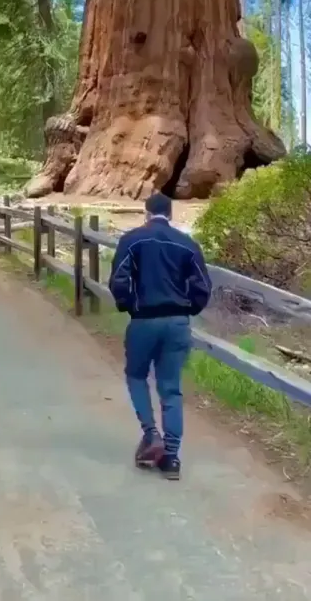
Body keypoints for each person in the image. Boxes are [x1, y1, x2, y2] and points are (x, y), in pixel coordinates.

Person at [109, 192, 211, 480]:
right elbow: (203, 286)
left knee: (136, 376)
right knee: (170, 387)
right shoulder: (188, 244)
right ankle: (172, 458)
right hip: (177, 322)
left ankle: (151, 433)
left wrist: (127, 304)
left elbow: (119, 278)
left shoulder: (132, 240)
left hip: (144, 320)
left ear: (146, 212)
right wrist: (189, 308)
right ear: (171, 213)